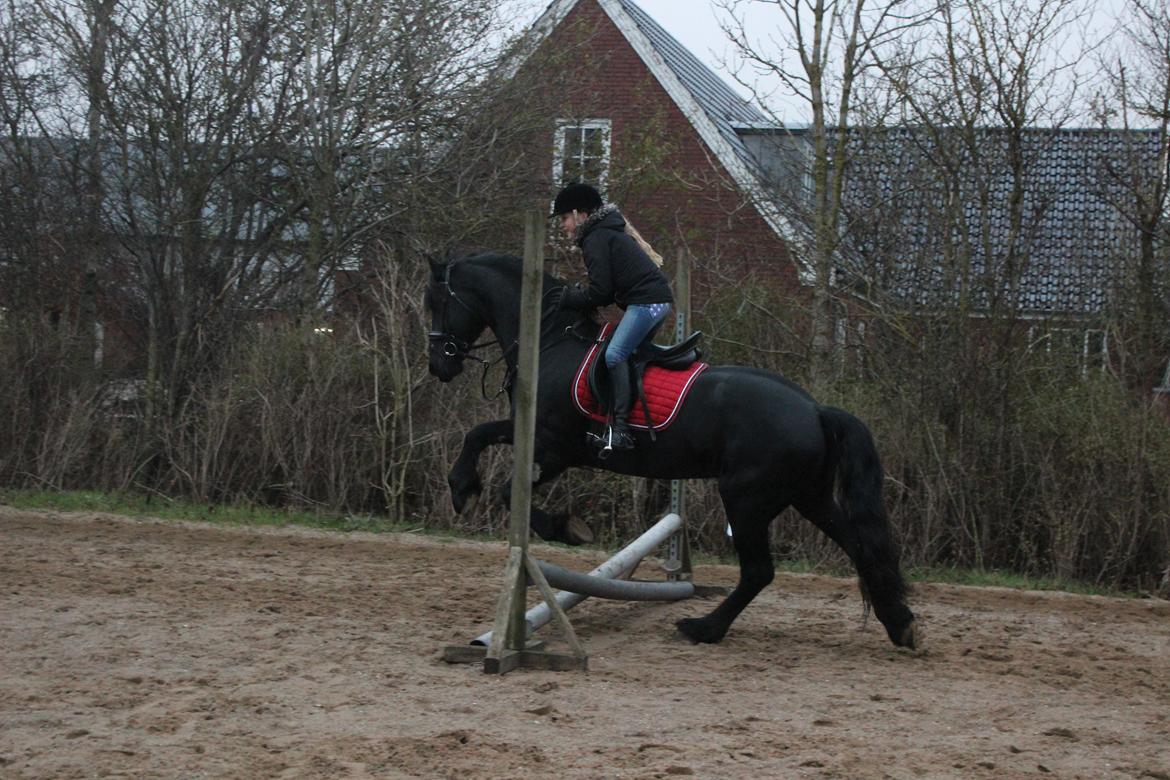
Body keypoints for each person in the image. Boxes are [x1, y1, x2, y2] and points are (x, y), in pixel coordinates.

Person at [549, 182, 673, 451]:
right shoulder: (604, 233)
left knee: (615, 354)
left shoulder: (595, 239)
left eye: (565, 218)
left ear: (580, 215)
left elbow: (601, 292)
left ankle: (621, 431)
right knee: (626, 354)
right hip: (654, 302)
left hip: (647, 305)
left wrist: (570, 298)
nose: (563, 225)